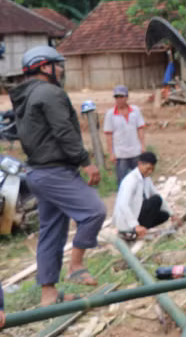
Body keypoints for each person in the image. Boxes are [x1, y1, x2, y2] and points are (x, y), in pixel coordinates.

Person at [10, 46, 106, 306]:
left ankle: (48, 296)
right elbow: (63, 130)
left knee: (51, 232)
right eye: (58, 64)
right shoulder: (49, 93)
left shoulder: (26, 96)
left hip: (37, 173)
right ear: (44, 66)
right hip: (55, 171)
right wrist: (86, 162)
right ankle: (76, 266)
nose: (62, 69)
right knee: (94, 211)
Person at [114, 152, 178, 241]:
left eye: (152, 169)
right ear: (140, 164)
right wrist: (135, 225)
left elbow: (156, 194)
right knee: (155, 200)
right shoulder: (131, 180)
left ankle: (141, 229)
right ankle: (134, 231)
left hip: (138, 213)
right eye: (148, 169)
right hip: (127, 220)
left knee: (164, 215)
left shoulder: (146, 178)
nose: (150, 172)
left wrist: (172, 214)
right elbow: (123, 204)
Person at [103, 85, 147, 186]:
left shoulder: (135, 111)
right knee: (122, 182)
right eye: (117, 97)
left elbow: (140, 129)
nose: (119, 100)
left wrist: (143, 146)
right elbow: (109, 135)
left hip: (135, 151)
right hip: (120, 154)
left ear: (127, 97)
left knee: (140, 180)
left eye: (121, 97)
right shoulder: (110, 114)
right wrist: (111, 153)